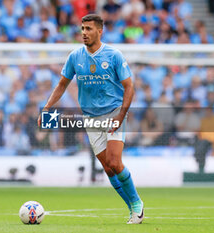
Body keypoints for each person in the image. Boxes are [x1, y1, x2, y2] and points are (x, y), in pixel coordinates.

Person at [37, 14, 144, 224]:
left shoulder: (113, 55)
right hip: (91, 118)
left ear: (99, 31)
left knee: (115, 161)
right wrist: (47, 108)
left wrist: (121, 115)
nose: (84, 33)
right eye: (82, 29)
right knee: (107, 167)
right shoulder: (75, 56)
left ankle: (137, 204)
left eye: (88, 29)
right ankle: (131, 206)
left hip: (113, 113)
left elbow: (129, 86)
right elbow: (62, 85)